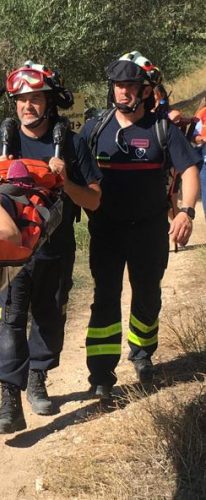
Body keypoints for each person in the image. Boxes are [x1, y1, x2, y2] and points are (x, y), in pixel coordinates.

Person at [0, 61, 102, 434]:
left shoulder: (73, 143)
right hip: (11, 251)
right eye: (21, 99)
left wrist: (64, 180)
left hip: (55, 248)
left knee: (50, 315)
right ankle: (9, 401)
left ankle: (38, 377)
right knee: (11, 319)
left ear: (50, 101)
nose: (27, 106)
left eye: (35, 98)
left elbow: (94, 201)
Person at [79, 51, 201, 397]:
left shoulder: (163, 129)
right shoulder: (95, 129)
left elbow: (190, 170)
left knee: (147, 293)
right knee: (105, 298)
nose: (123, 92)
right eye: (118, 85)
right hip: (106, 230)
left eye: (130, 85)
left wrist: (186, 211)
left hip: (149, 230)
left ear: (146, 90)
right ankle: (101, 375)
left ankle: (142, 353)